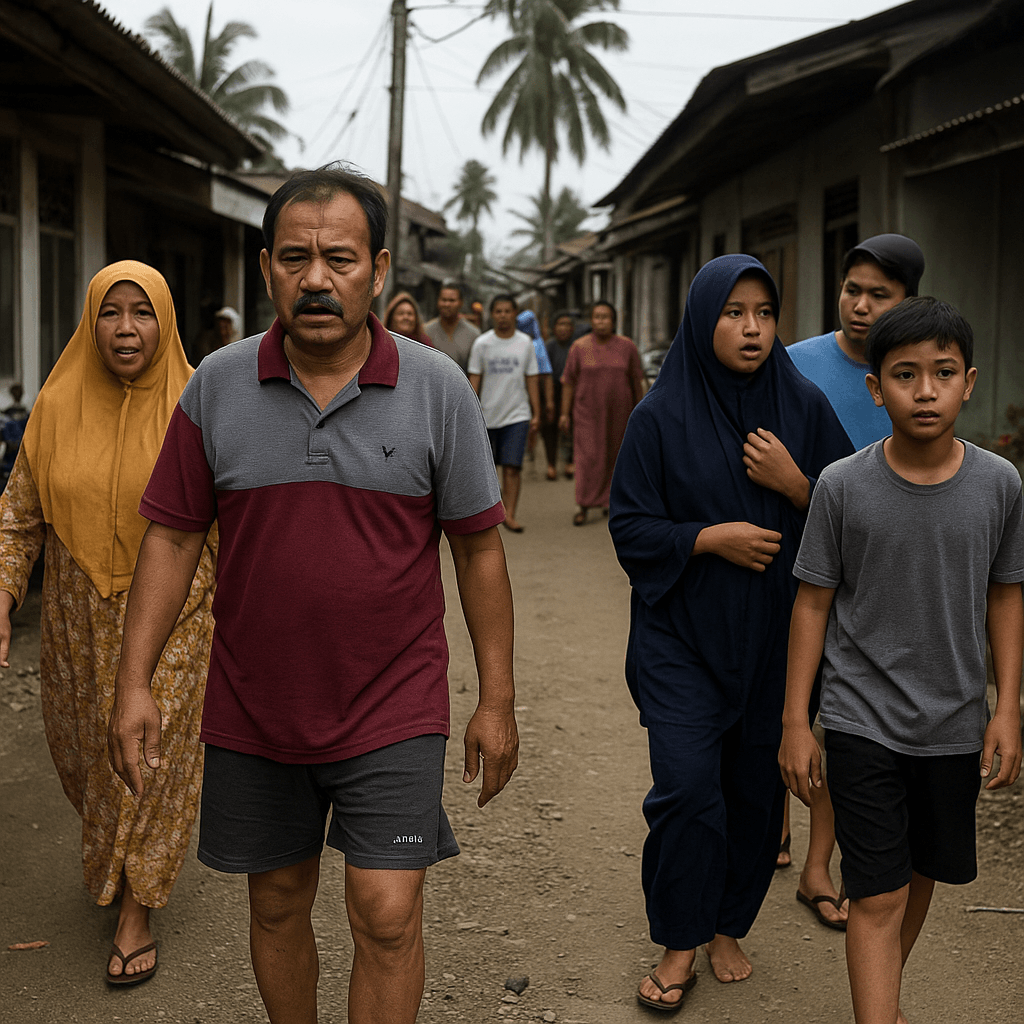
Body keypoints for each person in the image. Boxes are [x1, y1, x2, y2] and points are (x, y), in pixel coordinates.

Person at [107, 165, 519, 1024]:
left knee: (387, 912)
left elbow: (479, 549)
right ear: (267, 271)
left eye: (340, 258)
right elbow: (175, 536)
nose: (318, 279)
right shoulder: (215, 387)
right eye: (295, 258)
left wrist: (497, 700)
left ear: (378, 272)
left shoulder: (438, 389)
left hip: (393, 701)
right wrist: (134, 682)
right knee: (277, 902)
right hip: (257, 702)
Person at [609, 254, 852, 1010]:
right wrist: (705, 539)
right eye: (732, 312)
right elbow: (630, 525)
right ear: (702, 316)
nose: (751, 329)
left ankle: (726, 924)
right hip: (678, 637)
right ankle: (681, 938)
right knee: (687, 791)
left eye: (764, 314)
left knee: (752, 794)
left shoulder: (803, 406)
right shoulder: (659, 415)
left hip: (773, 644)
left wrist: (797, 485)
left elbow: (861, 517)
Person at [780, 296, 1023, 1024]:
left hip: (953, 720)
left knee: (920, 875)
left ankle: (879, 991)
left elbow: (1006, 595)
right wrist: (798, 721)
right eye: (906, 374)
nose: (925, 390)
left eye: (942, 373)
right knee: (877, 891)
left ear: (969, 382)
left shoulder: (999, 485)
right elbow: (812, 604)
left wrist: (1006, 707)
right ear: (874, 387)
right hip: (861, 717)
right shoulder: (842, 485)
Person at [0, 261, 215, 986]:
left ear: (167, 321)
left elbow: (239, 523)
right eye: (111, 313)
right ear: (90, 322)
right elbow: (18, 519)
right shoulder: (55, 407)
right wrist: (2, 598)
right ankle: (117, 861)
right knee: (89, 755)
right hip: (73, 615)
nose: (127, 329)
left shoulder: (199, 406)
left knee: (155, 751)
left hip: (178, 610)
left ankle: (136, 909)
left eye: (143, 312)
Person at [779, 234, 924, 928]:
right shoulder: (796, 363)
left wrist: (802, 488)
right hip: (789, 563)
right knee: (782, 700)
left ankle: (817, 863)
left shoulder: (912, 375)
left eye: (880, 295)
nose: (861, 306)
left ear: (909, 302)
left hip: (873, 576)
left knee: (840, 717)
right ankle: (769, 821)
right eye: (853, 290)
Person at [560, 300, 645, 526]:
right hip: (587, 413)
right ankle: (584, 505)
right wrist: (564, 414)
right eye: (597, 317)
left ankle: (611, 502)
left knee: (615, 456)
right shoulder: (579, 347)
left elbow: (637, 380)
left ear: (614, 321)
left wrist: (643, 411)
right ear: (591, 321)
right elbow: (568, 381)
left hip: (621, 413)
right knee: (588, 458)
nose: (601, 322)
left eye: (605, 317)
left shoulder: (627, 347)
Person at [468, 295, 540, 533]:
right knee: (487, 470)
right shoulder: (482, 343)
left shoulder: (525, 343)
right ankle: (489, 514)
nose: (502, 315)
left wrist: (536, 413)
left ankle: (510, 514)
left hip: (517, 415)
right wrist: (470, 412)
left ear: (514, 313)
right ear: (492, 314)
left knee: (512, 467)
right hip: (487, 416)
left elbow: (531, 378)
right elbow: (474, 380)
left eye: (507, 311)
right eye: (498, 311)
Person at [542, 311, 576, 480]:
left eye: (567, 324)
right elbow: (545, 373)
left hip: (573, 389)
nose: (563, 328)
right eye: (560, 324)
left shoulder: (576, 346)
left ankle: (571, 461)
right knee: (549, 426)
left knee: (572, 425)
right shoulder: (548, 346)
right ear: (554, 328)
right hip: (552, 388)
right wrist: (548, 399)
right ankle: (551, 464)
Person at [424, 281, 479, 372]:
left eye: (452, 300)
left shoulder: (473, 334)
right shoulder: (426, 331)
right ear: (438, 301)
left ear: (461, 303)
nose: (447, 304)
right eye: (444, 300)